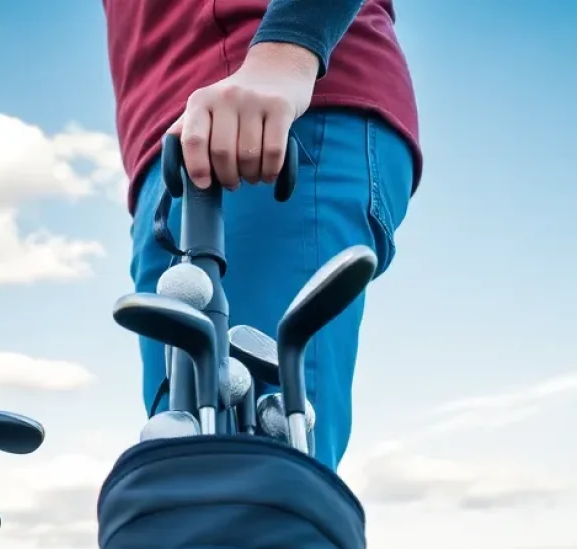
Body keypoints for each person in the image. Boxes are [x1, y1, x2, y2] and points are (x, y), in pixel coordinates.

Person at [101, 0, 421, 470]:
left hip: (270, 107)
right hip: (165, 158)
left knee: (254, 474)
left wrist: (286, 52)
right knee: (185, 471)